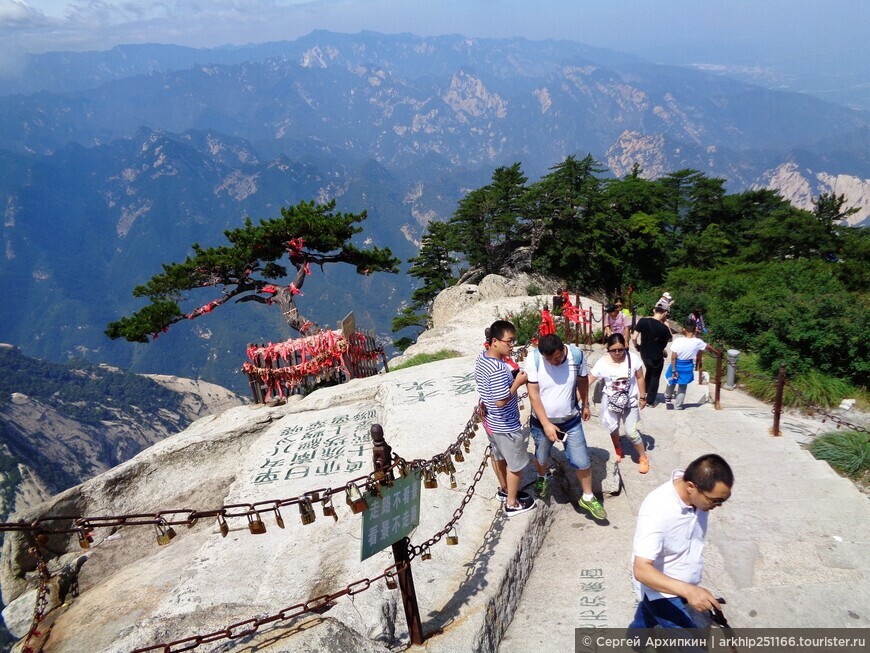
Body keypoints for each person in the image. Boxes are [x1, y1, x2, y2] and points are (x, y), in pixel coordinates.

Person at [629, 454, 734, 630]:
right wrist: (689, 591)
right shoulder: (657, 510)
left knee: (645, 619)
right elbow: (641, 569)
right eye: (715, 501)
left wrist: (689, 587)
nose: (718, 506)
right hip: (660, 591)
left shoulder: (697, 494)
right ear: (691, 487)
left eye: (723, 500)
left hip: (683, 583)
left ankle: (635, 642)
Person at [525, 334, 606, 521]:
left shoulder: (576, 355)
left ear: (563, 349)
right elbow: (534, 395)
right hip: (541, 421)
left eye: (556, 358)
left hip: (570, 420)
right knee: (541, 455)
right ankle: (541, 476)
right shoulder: (534, 359)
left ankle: (588, 496)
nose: (553, 362)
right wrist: (546, 424)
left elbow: (583, 381)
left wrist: (585, 404)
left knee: (582, 460)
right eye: (549, 360)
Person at [474, 319, 536, 516]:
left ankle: (504, 489)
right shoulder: (499, 369)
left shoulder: (482, 358)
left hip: (490, 421)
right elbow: (501, 400)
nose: (512, 345)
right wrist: (517, 382)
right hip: (505, 424)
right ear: (494, 341)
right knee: (516, 465)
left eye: (513, 341)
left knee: (498, 456)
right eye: (508, 341)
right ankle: (512, 503)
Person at [588, 333, 650, 476]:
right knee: (612, 428)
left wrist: (643, 396)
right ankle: (617, 448)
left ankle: (643, 457)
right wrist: (579, 394)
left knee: (631, 432)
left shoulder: (633, 359)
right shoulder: (603, 362)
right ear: (608, 349)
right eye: (613, 350)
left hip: (630, 401)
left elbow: (640, 377)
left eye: (620, 349)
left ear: (625, 347)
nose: (617, 353)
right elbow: (591, 377)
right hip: (611, 401)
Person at [632, 305, 673, 407]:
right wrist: (666, 324)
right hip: (656, 356)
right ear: (665, 313)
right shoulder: (664, 328)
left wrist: (637, 346)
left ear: (654, 310)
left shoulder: (643, 321)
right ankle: (650, 401)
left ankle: (644, 391)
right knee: (655, 377)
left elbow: (634, 337)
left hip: (644, 353)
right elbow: (670, 339)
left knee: (649, 370)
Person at [665, 320, 709, 410]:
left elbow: (673, 357)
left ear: (684, 329)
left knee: (671, 382)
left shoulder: (678, 341)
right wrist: (718, 352)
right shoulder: (698, 342)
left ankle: (668, 399)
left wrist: (673, 370)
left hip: (677, 365)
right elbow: (707, 346)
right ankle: (678, 405)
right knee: (682, 386)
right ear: (695, 329)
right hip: (687, 366)